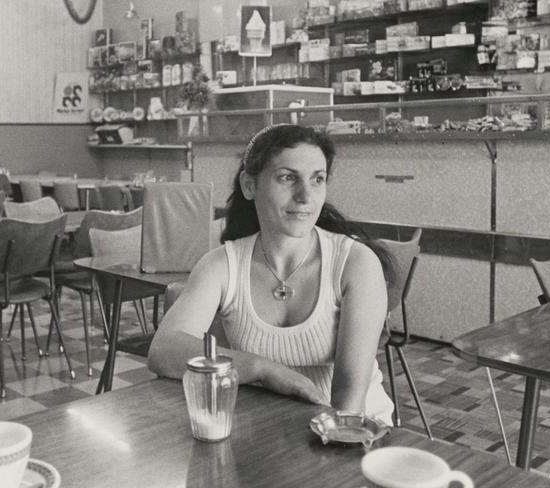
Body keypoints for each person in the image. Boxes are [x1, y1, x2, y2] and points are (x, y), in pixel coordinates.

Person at [148, 124, 395, 423]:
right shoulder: (222, 265)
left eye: (317, 180)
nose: (305, 196)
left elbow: (348, 397)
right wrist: (263, 369)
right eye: (287, 178)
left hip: (356, 429)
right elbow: (163, 349)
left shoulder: (356, 263)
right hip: (270, 429)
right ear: (249, 185)